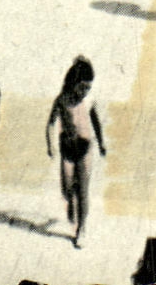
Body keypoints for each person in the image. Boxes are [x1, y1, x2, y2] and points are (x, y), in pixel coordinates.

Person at [46, 56, 107, 249]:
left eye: (88, 88)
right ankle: (70, 201)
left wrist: (102, 142)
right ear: (73, 83)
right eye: (82, 87)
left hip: (85, 148)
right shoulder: (62, 99)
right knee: (66, 187)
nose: (85, 91)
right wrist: (50, 145)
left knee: (83, 191)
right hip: (67, 149)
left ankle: (82, 228)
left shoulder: (89, 100)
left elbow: (96, 121)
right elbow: (50, 123)